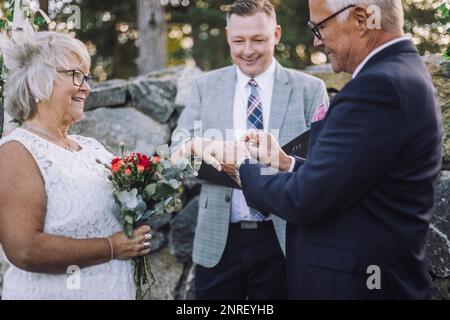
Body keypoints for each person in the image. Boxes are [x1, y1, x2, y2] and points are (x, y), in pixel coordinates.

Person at [195, 0, 443, 299]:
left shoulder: (378, 86)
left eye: (320, 27)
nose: (316, 40)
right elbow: (348, 176)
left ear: (363, 19)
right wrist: (287, 162)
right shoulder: (400, 73)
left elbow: (305, 198)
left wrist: (240, 165)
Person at [170, 0, 328, 299]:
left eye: (258, 39)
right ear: (227, 35)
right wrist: (199, 145)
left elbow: (322, 165)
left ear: (277, 34)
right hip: (220, 236)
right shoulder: (205, 86)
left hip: (285, 235)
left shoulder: (311, 89)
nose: (248, 50)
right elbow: (177, 150)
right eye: (238, 41)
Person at [0, 27, 151, 299]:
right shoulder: (16, 152)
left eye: (86, 76)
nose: (87, 87)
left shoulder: (92, 149)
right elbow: (24, 249)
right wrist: (111, 247)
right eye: (76, 75)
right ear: (38, 80)